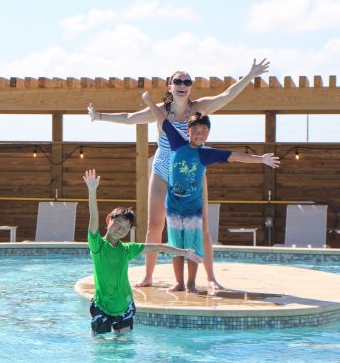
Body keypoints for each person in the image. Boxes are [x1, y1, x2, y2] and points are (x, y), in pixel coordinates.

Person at [87, 58, 270, 293]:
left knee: (202, 226)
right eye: (178, 81)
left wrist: (250, 75)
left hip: (193, 171)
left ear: (190, 87)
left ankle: (211, 278)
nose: (183, 84)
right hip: (163, 167)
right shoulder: (161, 112)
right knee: (154, 225)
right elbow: (129, 118)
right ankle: (148, 275)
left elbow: (227, 95)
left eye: (187, 81)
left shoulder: (199, 108)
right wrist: (99, 116)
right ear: (169, 86)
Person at [140, 93, 279, 291]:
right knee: (176, 246)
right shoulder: (177, 143)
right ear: (188, 131)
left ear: (208, 134)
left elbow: (236, 156)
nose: (199, 134)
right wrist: (148, 100)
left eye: (204, 131)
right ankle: (179, 282)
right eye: (196, 130)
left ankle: (191, 283)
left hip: (193, 209)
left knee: (194, 245)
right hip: (173, 207)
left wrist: (261, 159)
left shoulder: (206, 153)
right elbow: (162, 119)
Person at [83, 168, 201, 334]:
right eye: (117, 224)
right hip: (102, 306)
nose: (120, 230)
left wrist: (184, 252)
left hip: (125, 305)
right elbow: (93, 217)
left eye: (125, 228)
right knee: (101, 348)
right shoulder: (97, 246)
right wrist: (92, 191)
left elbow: (158, 247)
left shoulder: (127, 249)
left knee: (123, 348)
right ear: (109, 220)